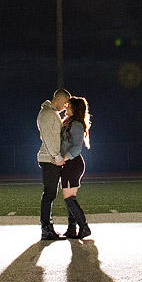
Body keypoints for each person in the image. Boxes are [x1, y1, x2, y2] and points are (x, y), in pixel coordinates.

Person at [36, 88, 70, 240]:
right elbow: (49, 138)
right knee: (49, 193)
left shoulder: (52, 113)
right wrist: (56, 156)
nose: (65, 106)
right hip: (49, 159)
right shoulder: (47, 113)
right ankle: (46, 229)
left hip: (52, 158)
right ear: (58, 98)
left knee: (51, 193)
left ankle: (47, 228)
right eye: (64, 102)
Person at [59, 95, 92, 239]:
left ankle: (84, 227)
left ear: (75, 108)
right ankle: (72, 229)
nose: (66, 107)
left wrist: (62, 158)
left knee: (68, 197)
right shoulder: (69, 121)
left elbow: (76, 147)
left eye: (69, 105)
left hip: (73, 164)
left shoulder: (77, 124)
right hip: (69, 164)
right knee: (69, 197)